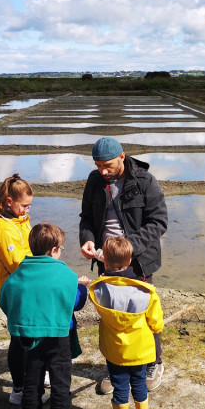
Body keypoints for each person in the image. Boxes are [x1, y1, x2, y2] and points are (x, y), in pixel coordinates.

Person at [79, 136, 168, 392]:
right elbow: (86, 217)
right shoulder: (95, 181)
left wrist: (128, 247)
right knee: (112, 315)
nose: (103, 171)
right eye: (98, 166)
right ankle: (117, 365)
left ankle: (153, 362)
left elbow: (158, 222)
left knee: (143, 314)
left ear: (122, 156)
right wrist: (87, 240)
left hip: (138, 261)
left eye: (107, 166)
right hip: (105, 261)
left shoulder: (144, 181)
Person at [0, 222, 90, 409]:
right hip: (59, 336)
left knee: (33, 379)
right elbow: (76, 304)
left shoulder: (20, 273)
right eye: (61, 248)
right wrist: (82, 287)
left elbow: (5, 300)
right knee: (60, 380)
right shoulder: (65, 274)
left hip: (29, 337)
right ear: (53, 250)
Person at [0, 174, 48, 405]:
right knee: (20, 339)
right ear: (9, 201)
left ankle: (33, 376)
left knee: (30, 334)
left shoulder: (19, 219)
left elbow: (29, 247)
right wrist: (46, 263)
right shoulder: (3, 229)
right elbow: (17, 264)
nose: (27, 210)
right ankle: (19, 389)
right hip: (17, 290)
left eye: (30, 206)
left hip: (28, 286)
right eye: (24, 206)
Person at [89, 237, 164, 409]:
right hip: (139, 350)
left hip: (114, 349)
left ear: (104, 262)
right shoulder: (146, 292)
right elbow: (156, 324)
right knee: (139, 382)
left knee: (120, 383)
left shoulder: (98, 289)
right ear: (130, 261)